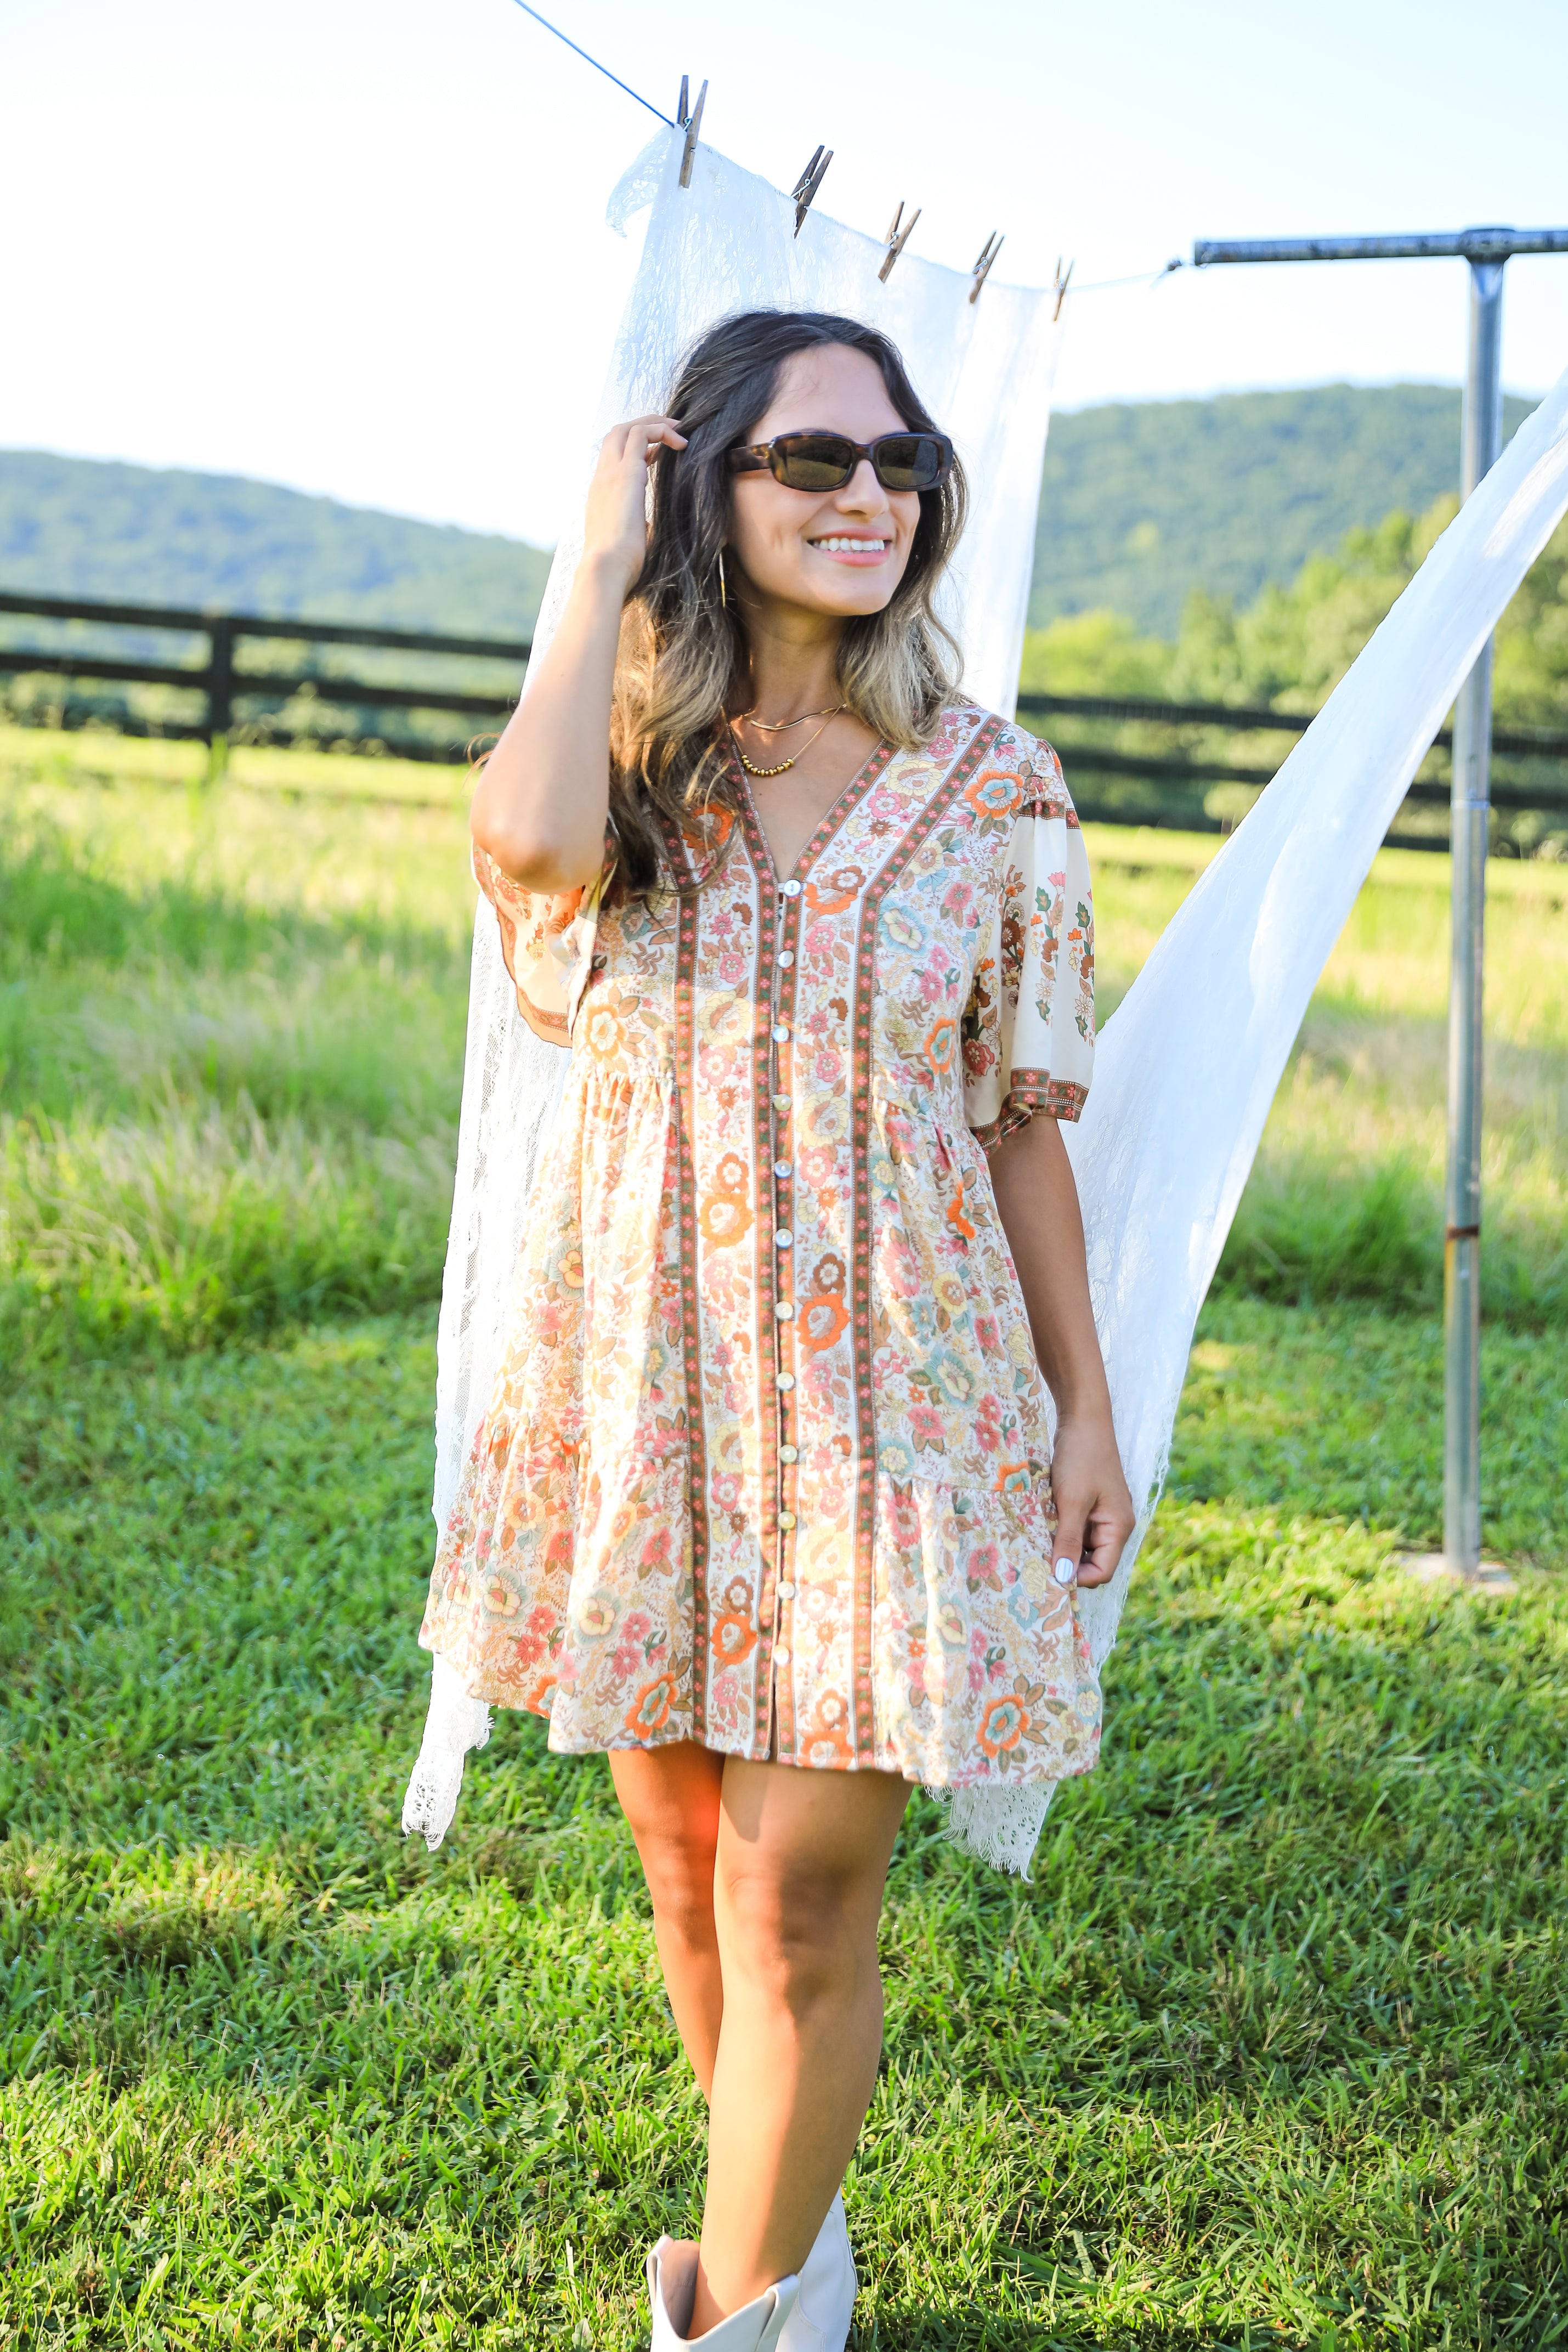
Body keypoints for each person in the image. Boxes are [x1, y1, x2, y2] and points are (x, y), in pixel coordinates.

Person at [419, 308, 1135, 2352]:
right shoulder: (628, 729)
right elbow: (531, 850)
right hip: (647, 1367)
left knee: (801, 1890)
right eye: (811, 461)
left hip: (901, 1391)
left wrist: (1086, 1408)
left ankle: (732, 2323)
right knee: (680, 1860)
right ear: (703, 485)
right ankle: (783, 2259)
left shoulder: (993, 784)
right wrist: (590, 557)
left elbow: (1019, 1130)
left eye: (897, 464)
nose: (868, 498)